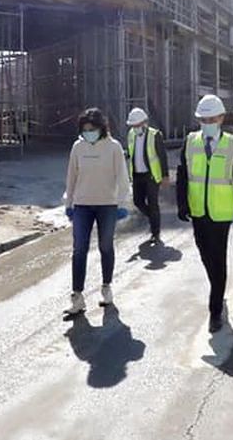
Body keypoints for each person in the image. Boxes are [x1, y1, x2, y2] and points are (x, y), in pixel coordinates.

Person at [176, 94, 233, 332]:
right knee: (205, 254)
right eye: (202, 118)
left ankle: (215, 309)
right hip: (198, 210)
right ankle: (217, 286)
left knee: (219, 257)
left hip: (221, 212)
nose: (207, 122)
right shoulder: (190, 141)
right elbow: (183, 174)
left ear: (221, 118)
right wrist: (182, 204)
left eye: (211, 118)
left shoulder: (232, 143)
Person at [63, 107, 130, 318]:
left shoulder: (113, 148)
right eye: (84, 129)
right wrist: (69, 202)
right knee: (79, 249)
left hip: (107, 205)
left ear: (101, 128)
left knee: (105, 246)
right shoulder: (78, 147)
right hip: (82, 205)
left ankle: (106, 287)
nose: (88, 132)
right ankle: (77, 296)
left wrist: (121, 202)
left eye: (92, 129)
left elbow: (122, 177)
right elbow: (71, 176)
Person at [125, 107, 166, 244]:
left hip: (151, 176)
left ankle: (156, 232)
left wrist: (165, 176)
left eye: (137, 125)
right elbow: (131, 152)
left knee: (153, 204)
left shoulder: (155, 135)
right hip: (137, 175)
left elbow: (162, 156)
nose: (135, 128)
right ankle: (154, 218)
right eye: (133, 125)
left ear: (145, 122)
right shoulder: (131, 134)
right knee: (138, 201)